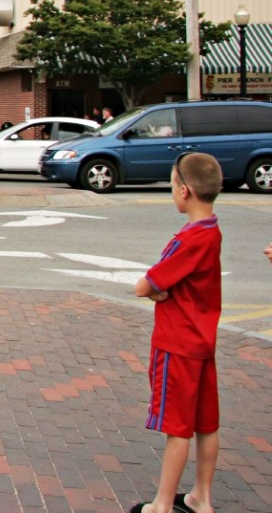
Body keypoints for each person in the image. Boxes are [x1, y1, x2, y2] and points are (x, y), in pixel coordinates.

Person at [131, 152, 224, 513]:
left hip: (177, 343)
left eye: (172, 185)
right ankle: (201, 496)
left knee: (177, 428)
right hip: (202, 341)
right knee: (206, 423)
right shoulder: (212, 231)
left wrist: (155, 290)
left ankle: (162, 505)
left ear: (184, 191)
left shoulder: (188, 239)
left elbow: (145, 285)